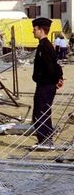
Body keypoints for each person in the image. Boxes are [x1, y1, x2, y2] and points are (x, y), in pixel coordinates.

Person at [32, 17, 63, 149]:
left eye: (35, 29)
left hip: (46, 85)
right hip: (45, 84)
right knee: (40, 111)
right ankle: (44, 140)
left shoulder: (45, 46)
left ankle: (45, 140)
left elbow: (51, 67)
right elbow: (56, 66)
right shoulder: (44, 45)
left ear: (41, 30)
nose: (33, 31)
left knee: (41, 111)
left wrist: (57, 79)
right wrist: (58, 77)